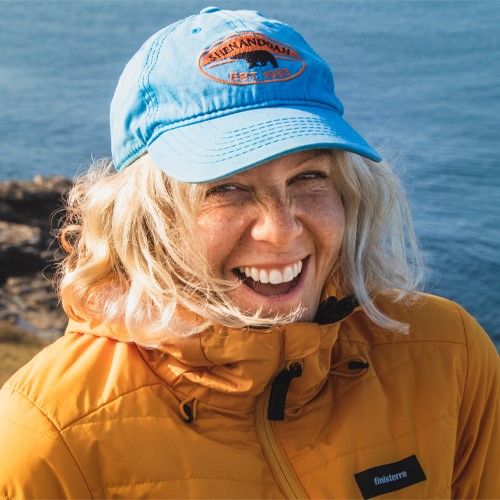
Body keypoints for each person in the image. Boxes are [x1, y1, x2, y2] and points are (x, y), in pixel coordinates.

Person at [0, 7, 498, 499]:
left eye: (309, 177)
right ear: (147, 216)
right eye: (226, 189)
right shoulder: (49, 440)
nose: (281, 231)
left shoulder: (446, 356)